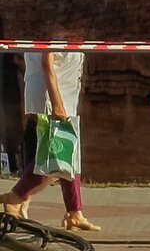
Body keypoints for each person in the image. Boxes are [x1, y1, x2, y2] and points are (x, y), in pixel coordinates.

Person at [0, 50, 100, 231]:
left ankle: (74, 212)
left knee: (69, 155)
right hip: (50, 98)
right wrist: (57, 104)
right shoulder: (53, 29)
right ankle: (15, 196)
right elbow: (47, 64)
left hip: (63, 96)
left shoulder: (68, 31)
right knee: (55, 157)